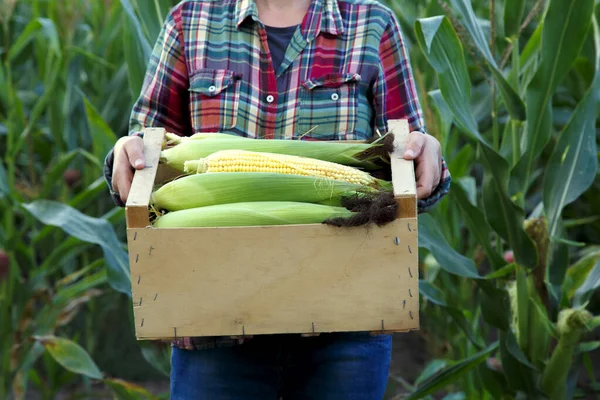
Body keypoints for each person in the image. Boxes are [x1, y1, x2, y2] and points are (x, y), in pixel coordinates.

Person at [104, 0, 451, 398]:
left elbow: (405, 169)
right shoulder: (190, 21)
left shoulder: (372, 25)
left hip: (343, 325)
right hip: (216, 324)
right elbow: (150, 152)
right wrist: (126, 157)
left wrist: (427, 156)